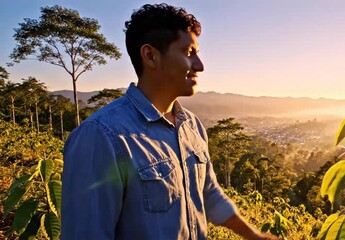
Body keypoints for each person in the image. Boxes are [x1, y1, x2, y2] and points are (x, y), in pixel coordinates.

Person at [62, 4, 278, 240]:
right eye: (188, 53)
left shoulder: (191, 126)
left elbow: (208, 193)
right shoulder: (102, 135)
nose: (200, 65)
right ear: (150, 56)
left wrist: (254, 235)